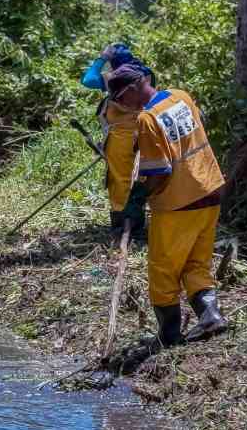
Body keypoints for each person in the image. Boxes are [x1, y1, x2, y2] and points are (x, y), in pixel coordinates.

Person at [106, 64, 228, 347]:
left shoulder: (147, 120)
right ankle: (210, 315)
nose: (123, 105)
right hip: (209, 189)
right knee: (197, 261)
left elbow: (159, 172)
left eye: (123, 98)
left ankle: (169, 333)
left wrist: (137, 199)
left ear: (136, 87)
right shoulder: (180, 96)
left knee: (163, 267)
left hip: (178, 202)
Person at [80, 44, 153, 235]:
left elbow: (88, 80)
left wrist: (101, 58)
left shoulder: (120, 78)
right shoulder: (145, 74)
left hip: (123, 138)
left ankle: (125, 227)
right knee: (137, 179)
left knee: (121, 181)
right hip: (142, 133)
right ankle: (133, 224)